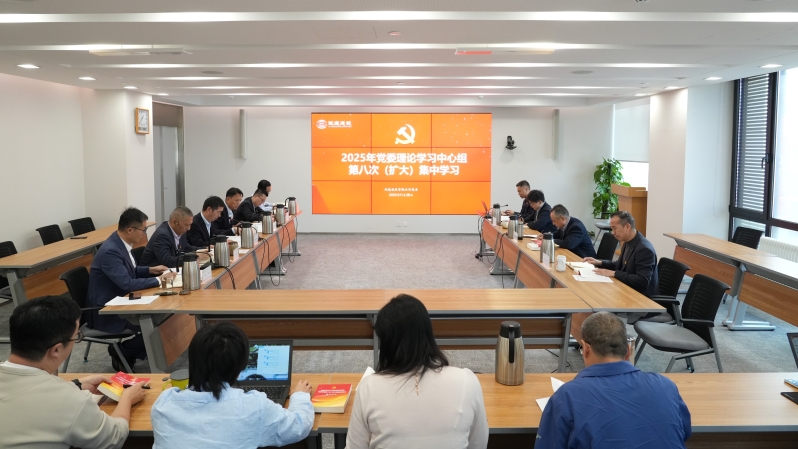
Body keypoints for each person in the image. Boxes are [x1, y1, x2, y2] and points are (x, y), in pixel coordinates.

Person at [0, 295, 147, 449]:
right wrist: (127, 398)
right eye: (77, 336)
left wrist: (76, 384)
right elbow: (114, 438)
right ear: (56, 350)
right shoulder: (69, 401)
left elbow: (26, 395)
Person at [346, 294, 488, 449]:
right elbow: (478, 444)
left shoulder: (369, 387)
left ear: (387, 343)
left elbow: (355, 446)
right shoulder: (467, 381)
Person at [536, 312, 691, 449]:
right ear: (628, 350)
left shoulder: (566, 397)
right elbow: (684, 432)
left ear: (586, 348)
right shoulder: (666, 386)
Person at [151, 322, 314, 449]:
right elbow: (298, 427)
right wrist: (300, 396)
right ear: (240, 369)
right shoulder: (253, 407)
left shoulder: (163, 404)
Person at [86, 208, 175, 371]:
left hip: (122, 300)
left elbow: (129, 271)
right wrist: (158, 280)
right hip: (107, 311)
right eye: (143, 230)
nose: (144, 234)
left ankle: (130, 352)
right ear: (130, 230)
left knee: (167, 319)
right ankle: (123, 351)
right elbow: (126, 283)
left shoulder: (120, 244)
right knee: (158, 324)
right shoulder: (110, 251)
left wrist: (151, 270)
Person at [583, 211, 659, 297]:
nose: (613, 232)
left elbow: (642, 280)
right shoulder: (628, 242)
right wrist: (599, 262)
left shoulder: (644, 249)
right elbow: (621, 264)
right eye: (612, 229)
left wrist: (614, 273)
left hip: (641, 297)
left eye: (615, 228)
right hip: (626, 289)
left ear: (627, 226)